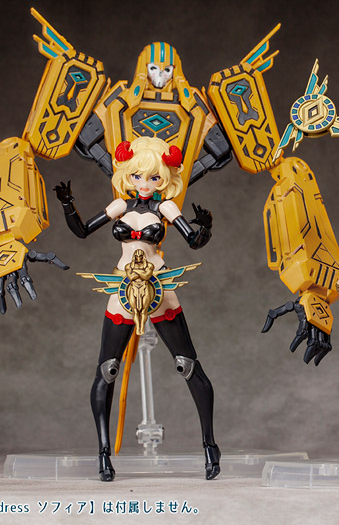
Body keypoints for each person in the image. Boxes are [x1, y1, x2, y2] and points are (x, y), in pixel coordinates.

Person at [54, 136, 219, 480]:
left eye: (154, 177)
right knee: (107, 370)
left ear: (164, 179)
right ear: (128, 175)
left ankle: (209, 445)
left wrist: (205, 226)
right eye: (138, 176)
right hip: (122, 288)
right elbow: (82, 231)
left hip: (160, 287)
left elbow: (194, 242)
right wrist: (68, 205)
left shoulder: (166, 208)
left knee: (187, 365)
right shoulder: (120, 206)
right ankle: (103, 453)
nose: (145, 183)